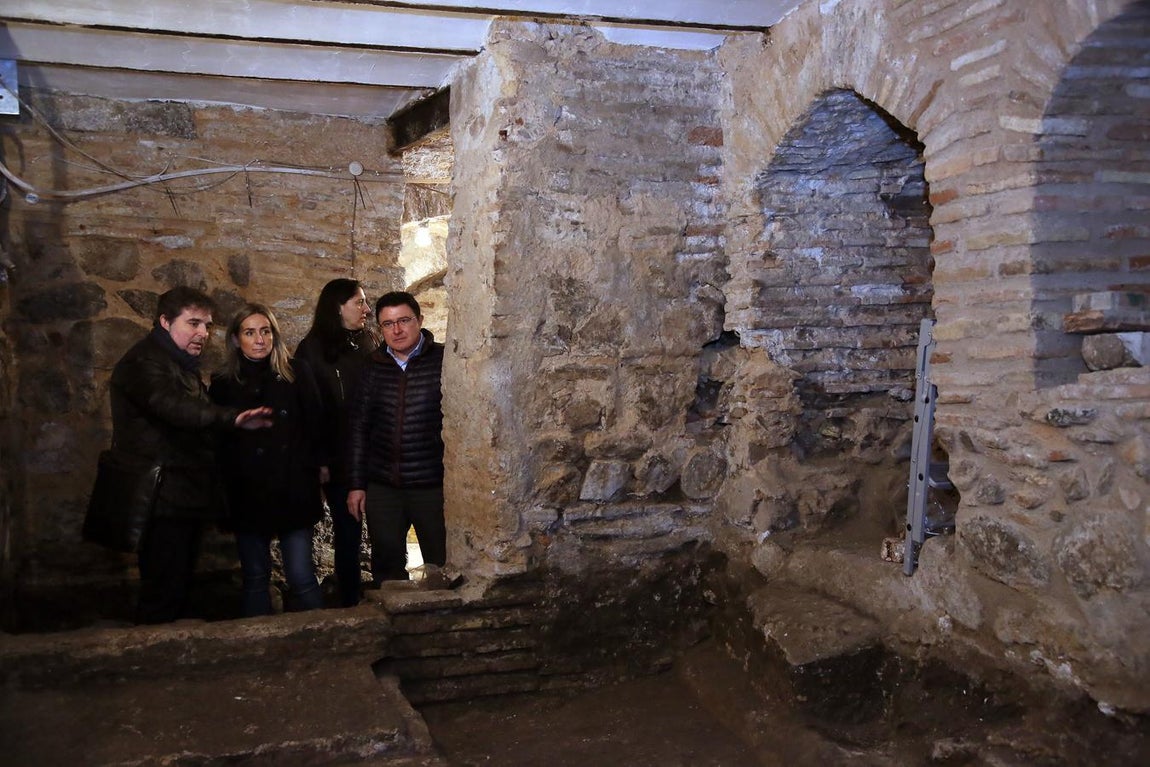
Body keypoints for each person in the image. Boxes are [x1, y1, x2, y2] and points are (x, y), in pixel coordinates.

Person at [108, 286, 273, 624]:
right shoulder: (145, 362)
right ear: (165, 321)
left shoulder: (179, 364)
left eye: (208, 325)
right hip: (161, 496)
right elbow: (172, 407)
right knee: (162, 588)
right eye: (194, 323)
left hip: (179, 493)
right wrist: (231, 417)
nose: (203, 333)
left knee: (177, 584)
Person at [210, 304, 325, 617]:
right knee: (255, 578)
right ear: (236, 339)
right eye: (250, 332)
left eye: (265, 331)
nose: (259, 339)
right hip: (248, 491)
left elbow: (316, 426)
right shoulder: (223, 383)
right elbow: (219, 441)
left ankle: (324, 643)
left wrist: (313, 472)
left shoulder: (297, 372)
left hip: (293, 487)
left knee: (302, 577)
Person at [347, 291, 446, 583]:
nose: (397, 330)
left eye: (404, 320)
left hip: (431, 484)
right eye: (388, 324)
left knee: (440, 565)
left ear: (420, 321)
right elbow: (358, 428)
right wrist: (356, 484)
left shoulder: (443, 361)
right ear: (380, 328)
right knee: (387, 567)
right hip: (383, 486)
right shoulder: (371, 366)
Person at [294, 279, 378, 606]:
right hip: (339, 459)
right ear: (337, 307)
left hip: (373, 454)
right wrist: (321, 460)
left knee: (383, 531)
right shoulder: (311, 350)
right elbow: (309, 410)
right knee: (348, 535)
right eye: (359, 302)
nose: (366, 309)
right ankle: (350, 603)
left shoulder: (368, 343)